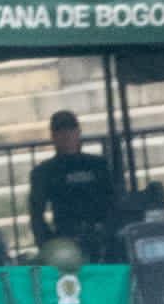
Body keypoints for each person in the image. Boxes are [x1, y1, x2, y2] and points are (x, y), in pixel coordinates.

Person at [27, 112, 124, 263]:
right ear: (53, 136)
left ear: (78, 133)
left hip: (103, 238)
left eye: (71, 130)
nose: (66, 136)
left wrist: (108, 232)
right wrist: (49, 244)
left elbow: (115, 201)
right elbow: (36, 214)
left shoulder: (99, 165)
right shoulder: (44, 172)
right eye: (60, 131)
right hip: (66, 241)